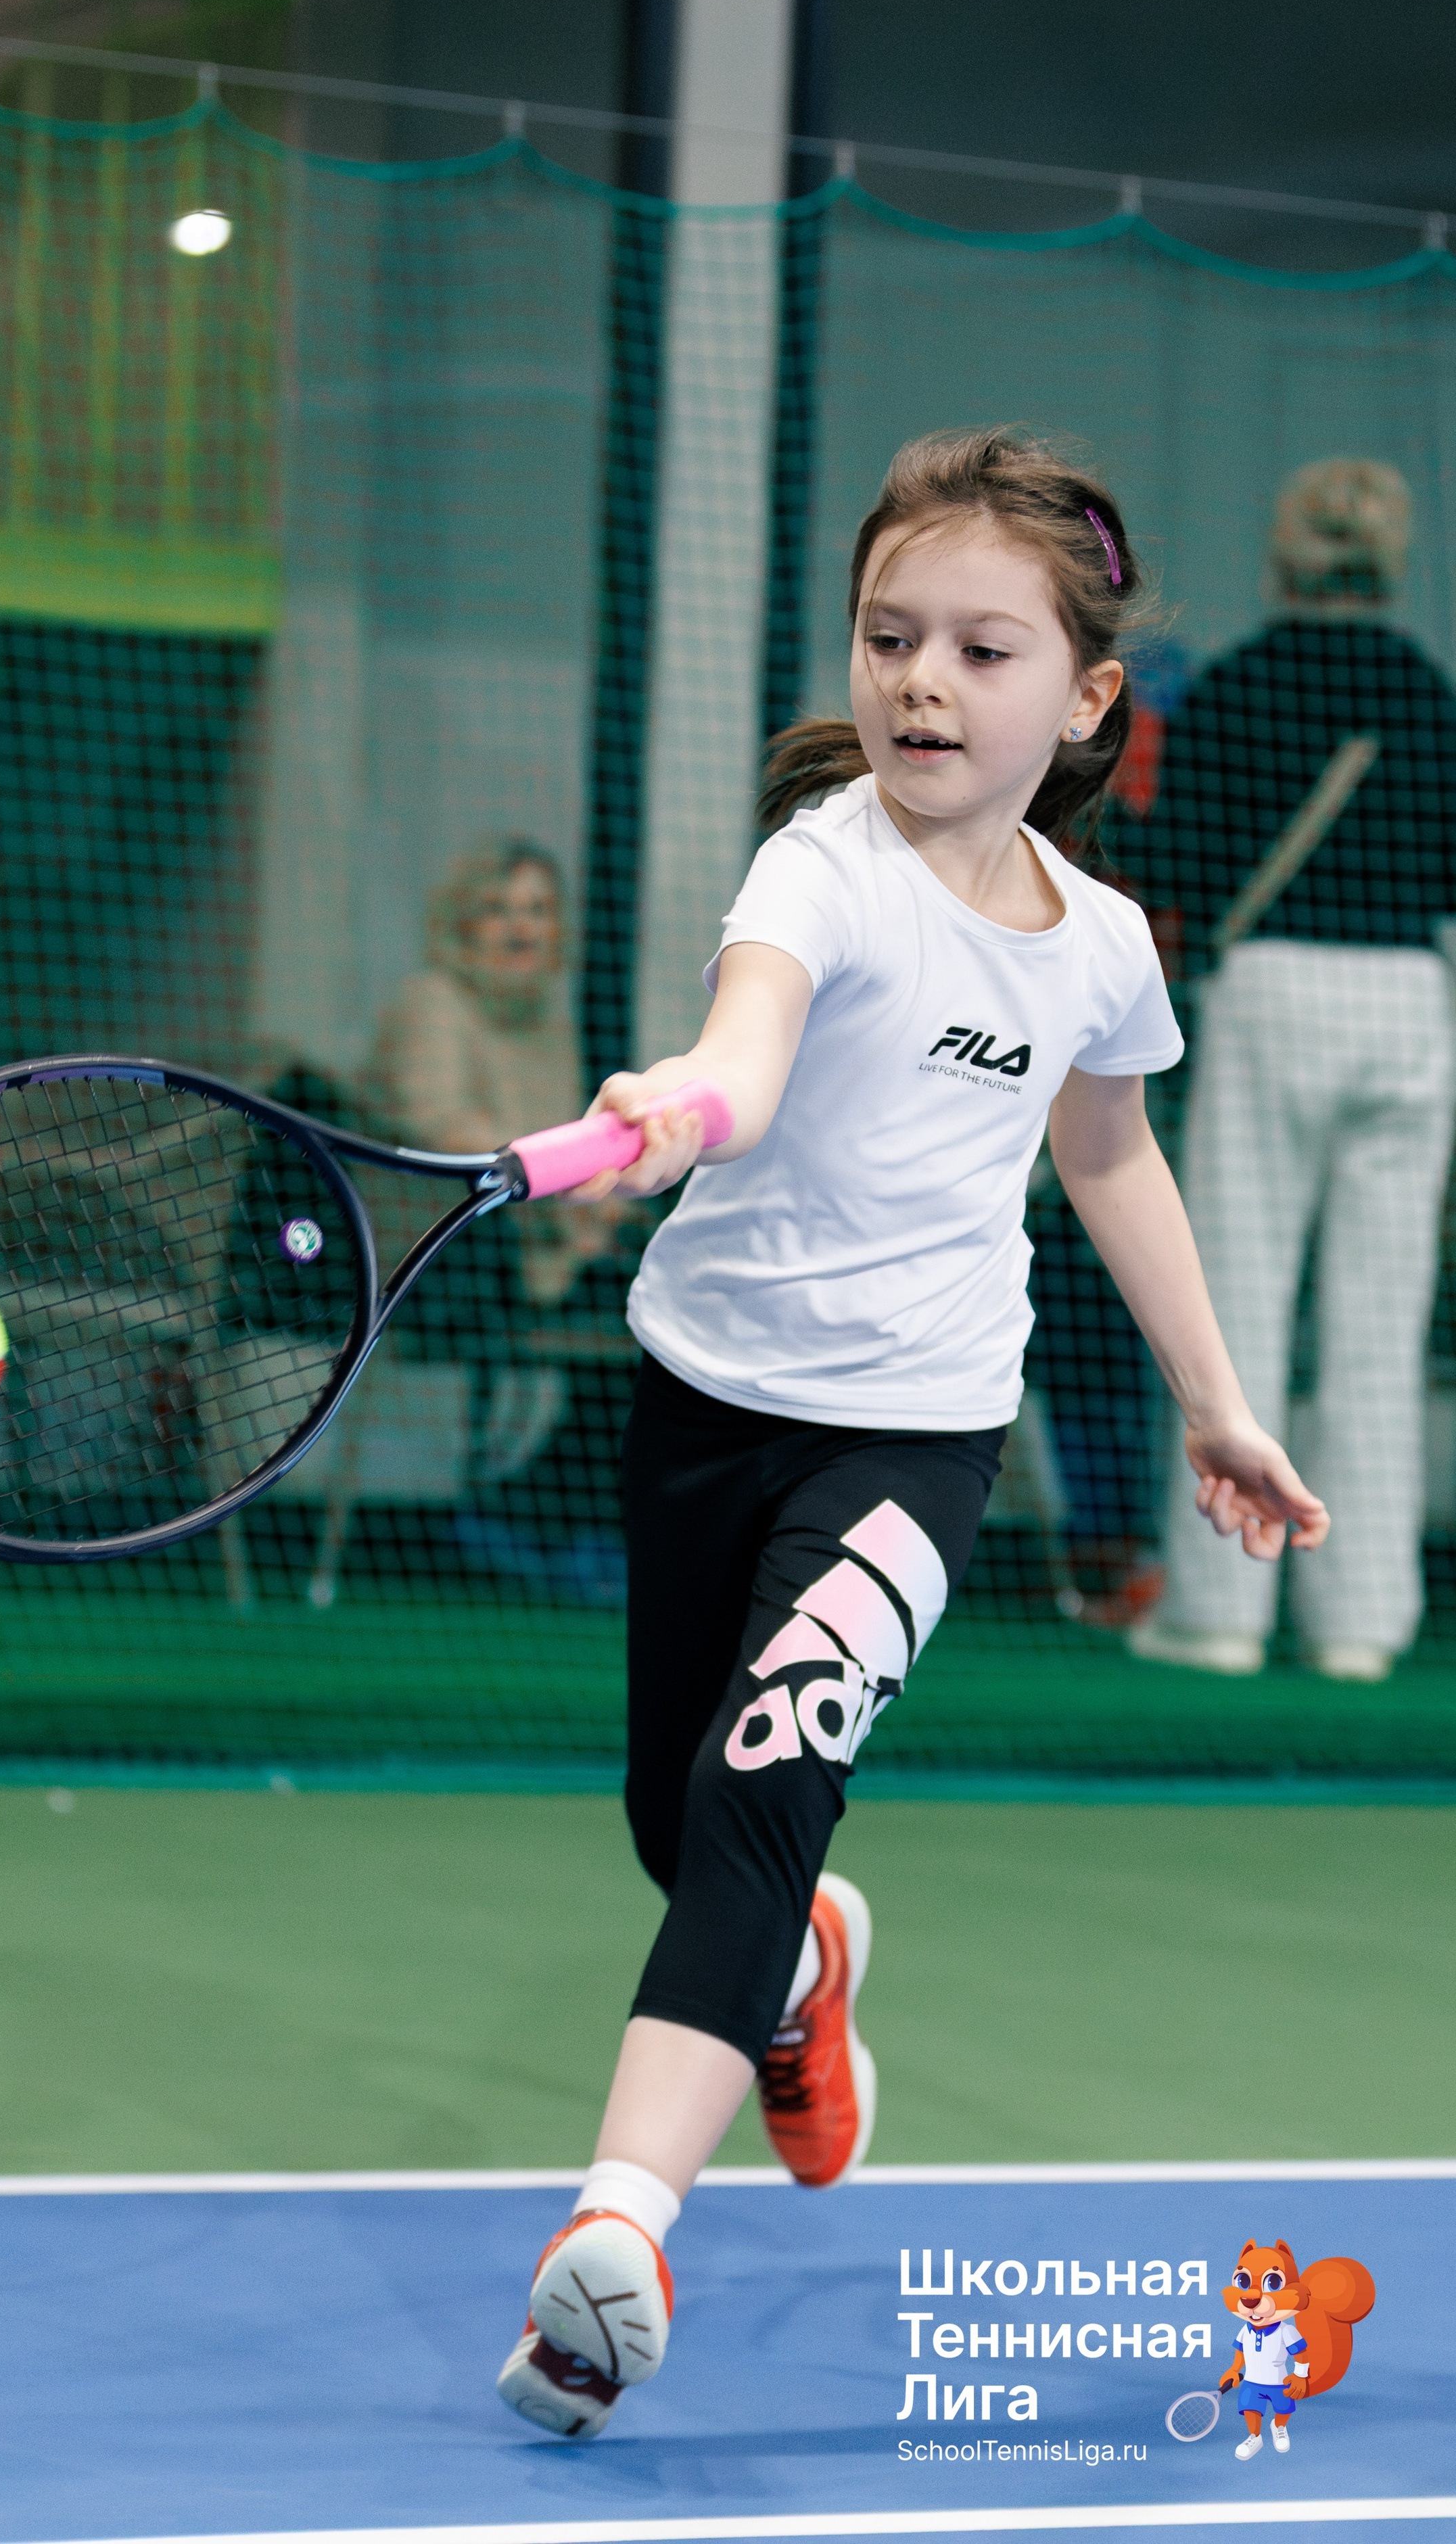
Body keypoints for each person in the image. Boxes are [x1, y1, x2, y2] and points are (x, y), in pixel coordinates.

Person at [492, 427, 1329, 2442]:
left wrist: (1218, 1401)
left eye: (977, 645)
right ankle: (793, 1982)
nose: (921, 682)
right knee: (675, 1822)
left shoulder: (1102, 944)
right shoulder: (819, 861)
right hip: (708, 1395)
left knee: (766, 1781)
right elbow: (744, 1061)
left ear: (1085, 698)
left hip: (918, 1438)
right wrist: (669, 1108)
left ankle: (615, 2236)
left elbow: (1112, 1159)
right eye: (888, 637)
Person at [1119, 460, 1456, 1684]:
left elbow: (1182, 867)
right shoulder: (1431, 693)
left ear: (1283, 552)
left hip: (1272, 990)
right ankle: (1363, 1622)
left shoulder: (1238, 683)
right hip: (1413, 999)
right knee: (1379, 1319)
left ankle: (1221, 1609)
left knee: (1236, 1306)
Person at [365, 839, 617, 1309]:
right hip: (442, 1253)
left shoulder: (552, 1023)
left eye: (538, 910)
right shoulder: (433, 1002)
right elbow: (445, 1132)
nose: (522, 929)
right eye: (498, 909)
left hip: (541, 1243)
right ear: (463, 925)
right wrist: (566, 1183)